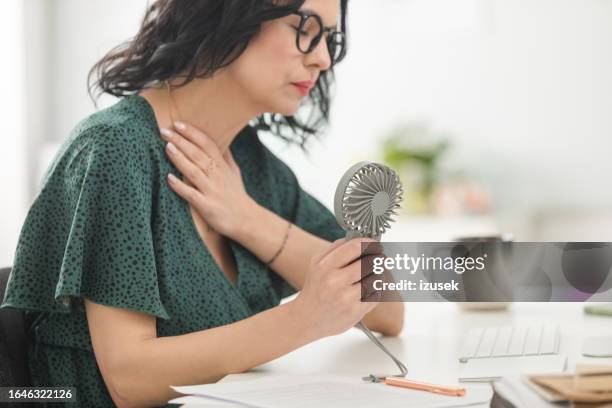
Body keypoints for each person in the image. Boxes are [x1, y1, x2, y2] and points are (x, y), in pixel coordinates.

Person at [1, 0, 404, 406]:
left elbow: (388, 309)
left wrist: (247, 218)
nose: (321, 58)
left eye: (329, 39)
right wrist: (303, 320)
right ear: (228, 12)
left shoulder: (248, 165)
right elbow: (128, 379)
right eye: (304, 27)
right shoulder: (114, 150)